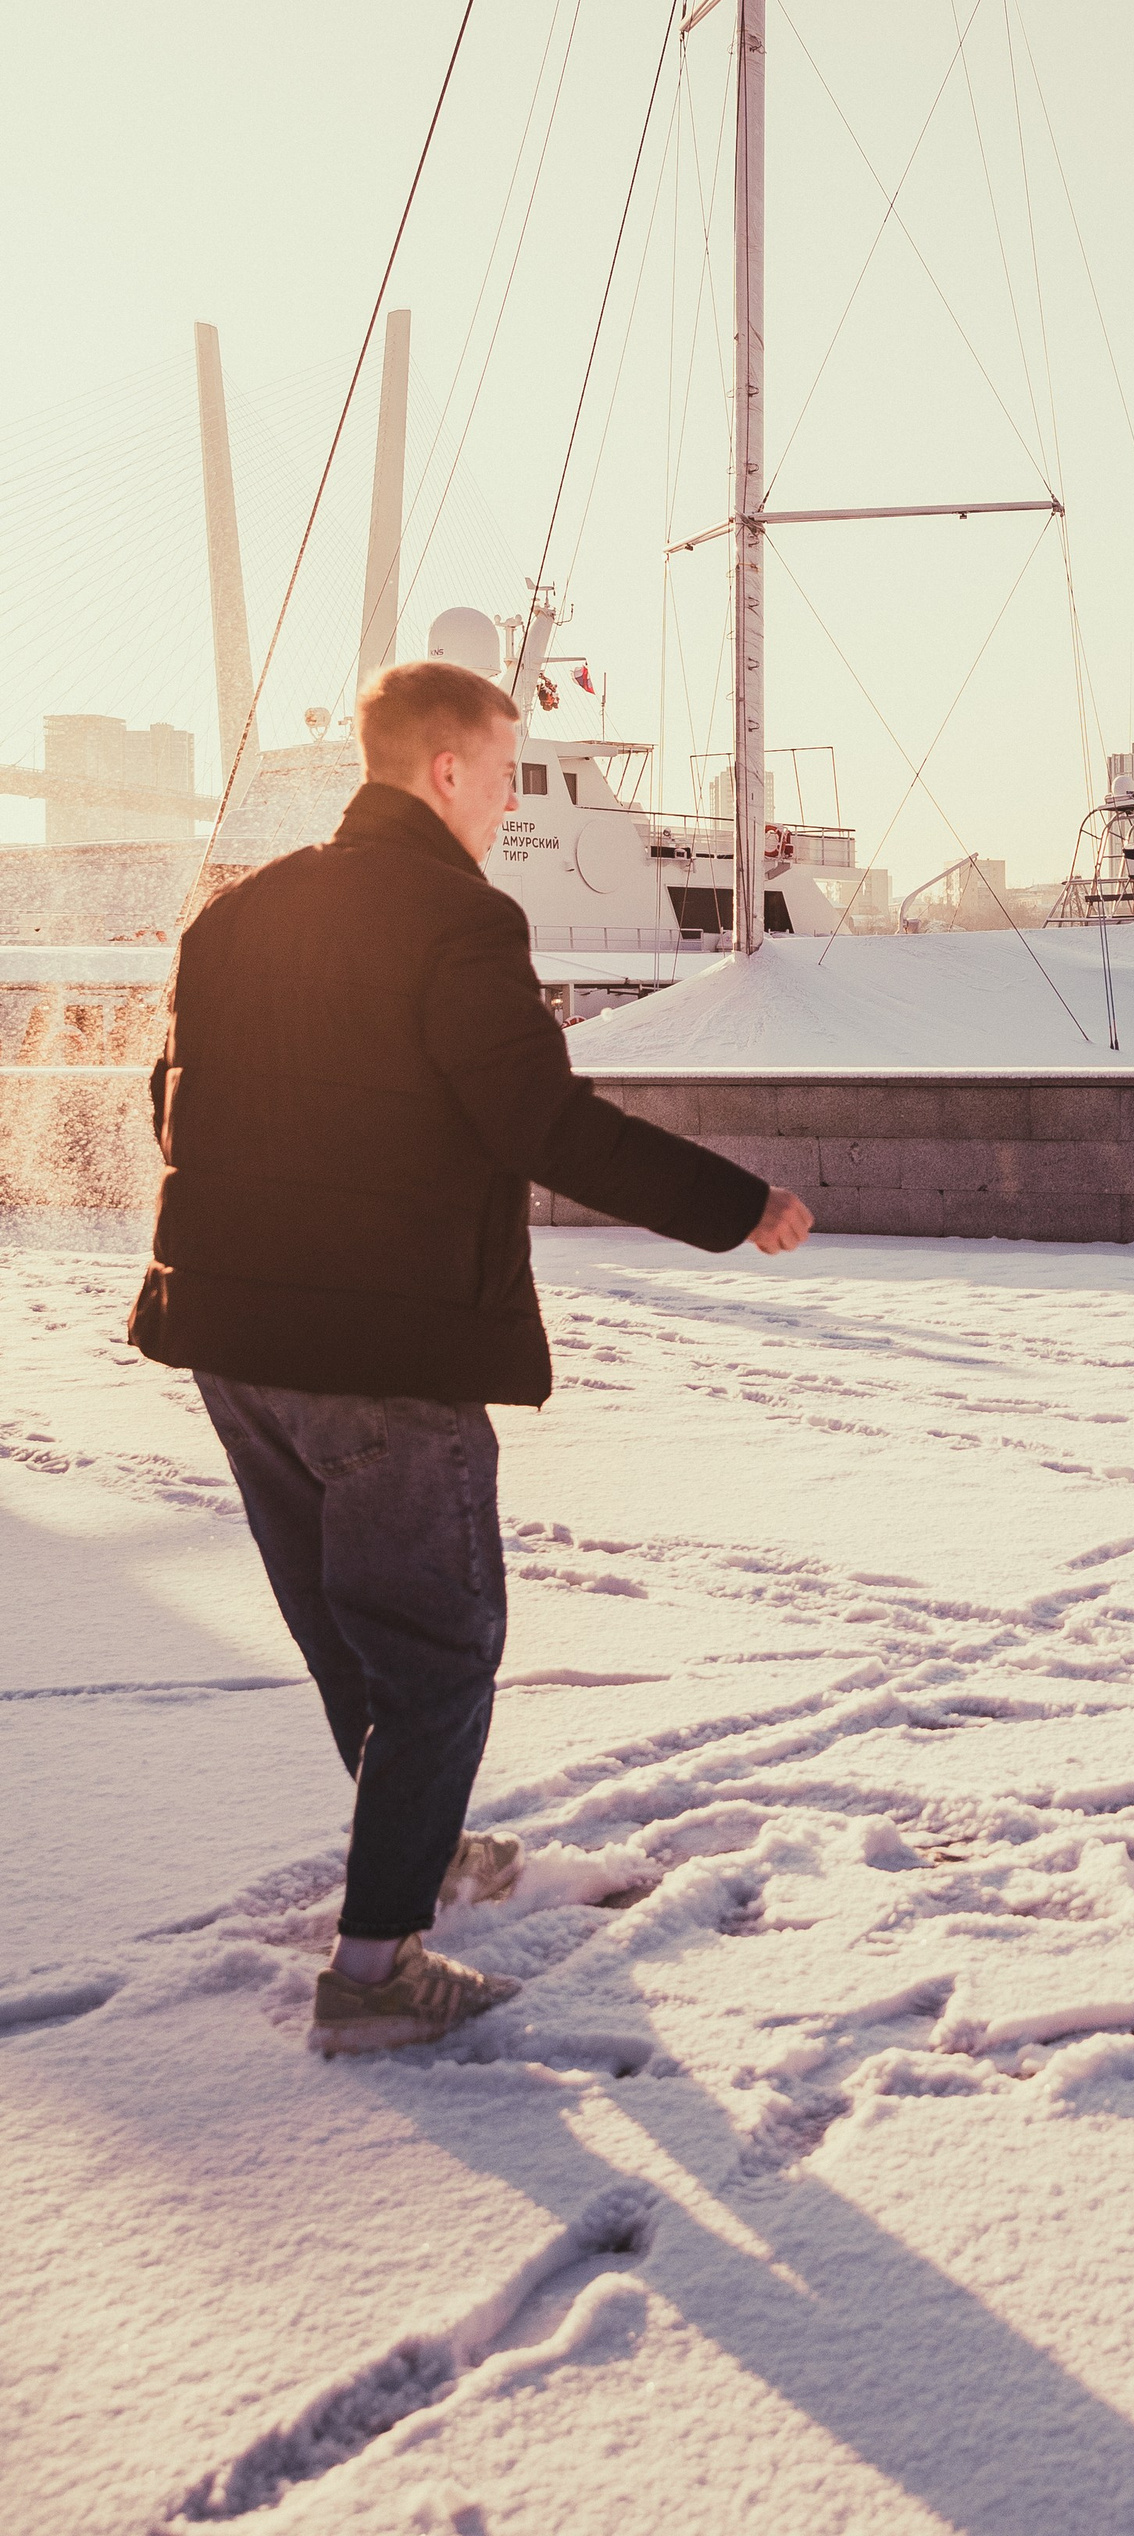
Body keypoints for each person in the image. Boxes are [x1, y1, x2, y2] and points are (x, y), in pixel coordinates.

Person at [129, 658, 815, 2054]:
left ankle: (421, 1856)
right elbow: (539, 1123)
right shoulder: (462, 919)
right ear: (445, 769)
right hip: (383, 1355)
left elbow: (172, 1097)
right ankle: (378, 1971)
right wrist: (739, 1207)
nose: (507, 803)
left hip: (231, 1344)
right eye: (506, 774)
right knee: (439, 1655)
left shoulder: (237, 915)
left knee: (349, 1640)